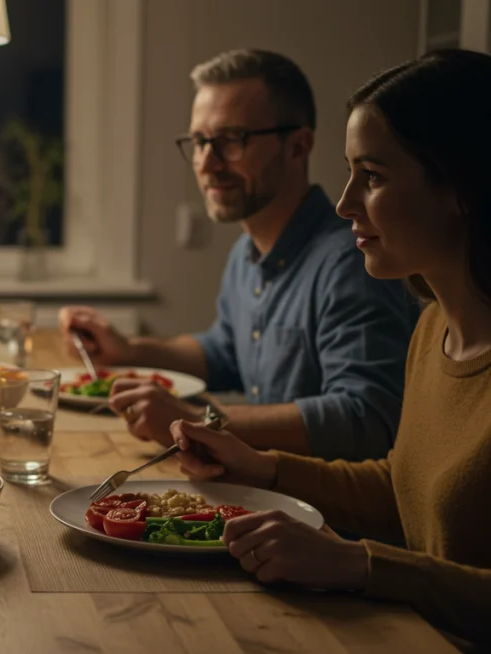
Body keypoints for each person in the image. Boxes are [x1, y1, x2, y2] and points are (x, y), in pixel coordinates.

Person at [171, 49, 491, 648]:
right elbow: (402, 486)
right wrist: (261, 468)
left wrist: (362, 564)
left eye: (372, 177)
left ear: (461, 188)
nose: (344, 204)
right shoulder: (433, 332)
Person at [61, 50, 416, 460]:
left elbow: (364, 418)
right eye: (199, 142)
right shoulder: (246, 253)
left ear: (298, 146)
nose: (208, 163)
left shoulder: (350, 262)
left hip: (318, 518)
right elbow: (223, 352)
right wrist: (128, 349)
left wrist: (199, 421)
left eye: (231, 140)